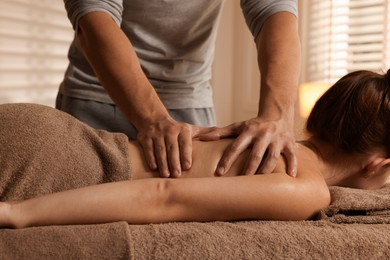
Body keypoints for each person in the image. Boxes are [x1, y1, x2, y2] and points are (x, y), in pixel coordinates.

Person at [1, 69, 389, 229]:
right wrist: (18, 214)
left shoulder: (261, 138)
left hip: (49, 130)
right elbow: (164, 196)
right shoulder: (304, 188)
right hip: (54, 163)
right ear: (376, 165)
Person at [56, 0, 301, 178]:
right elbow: (94, 16)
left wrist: (276, 116)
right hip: (97, 99)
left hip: (189, 105)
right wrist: (152, 118)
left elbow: (274, 10)